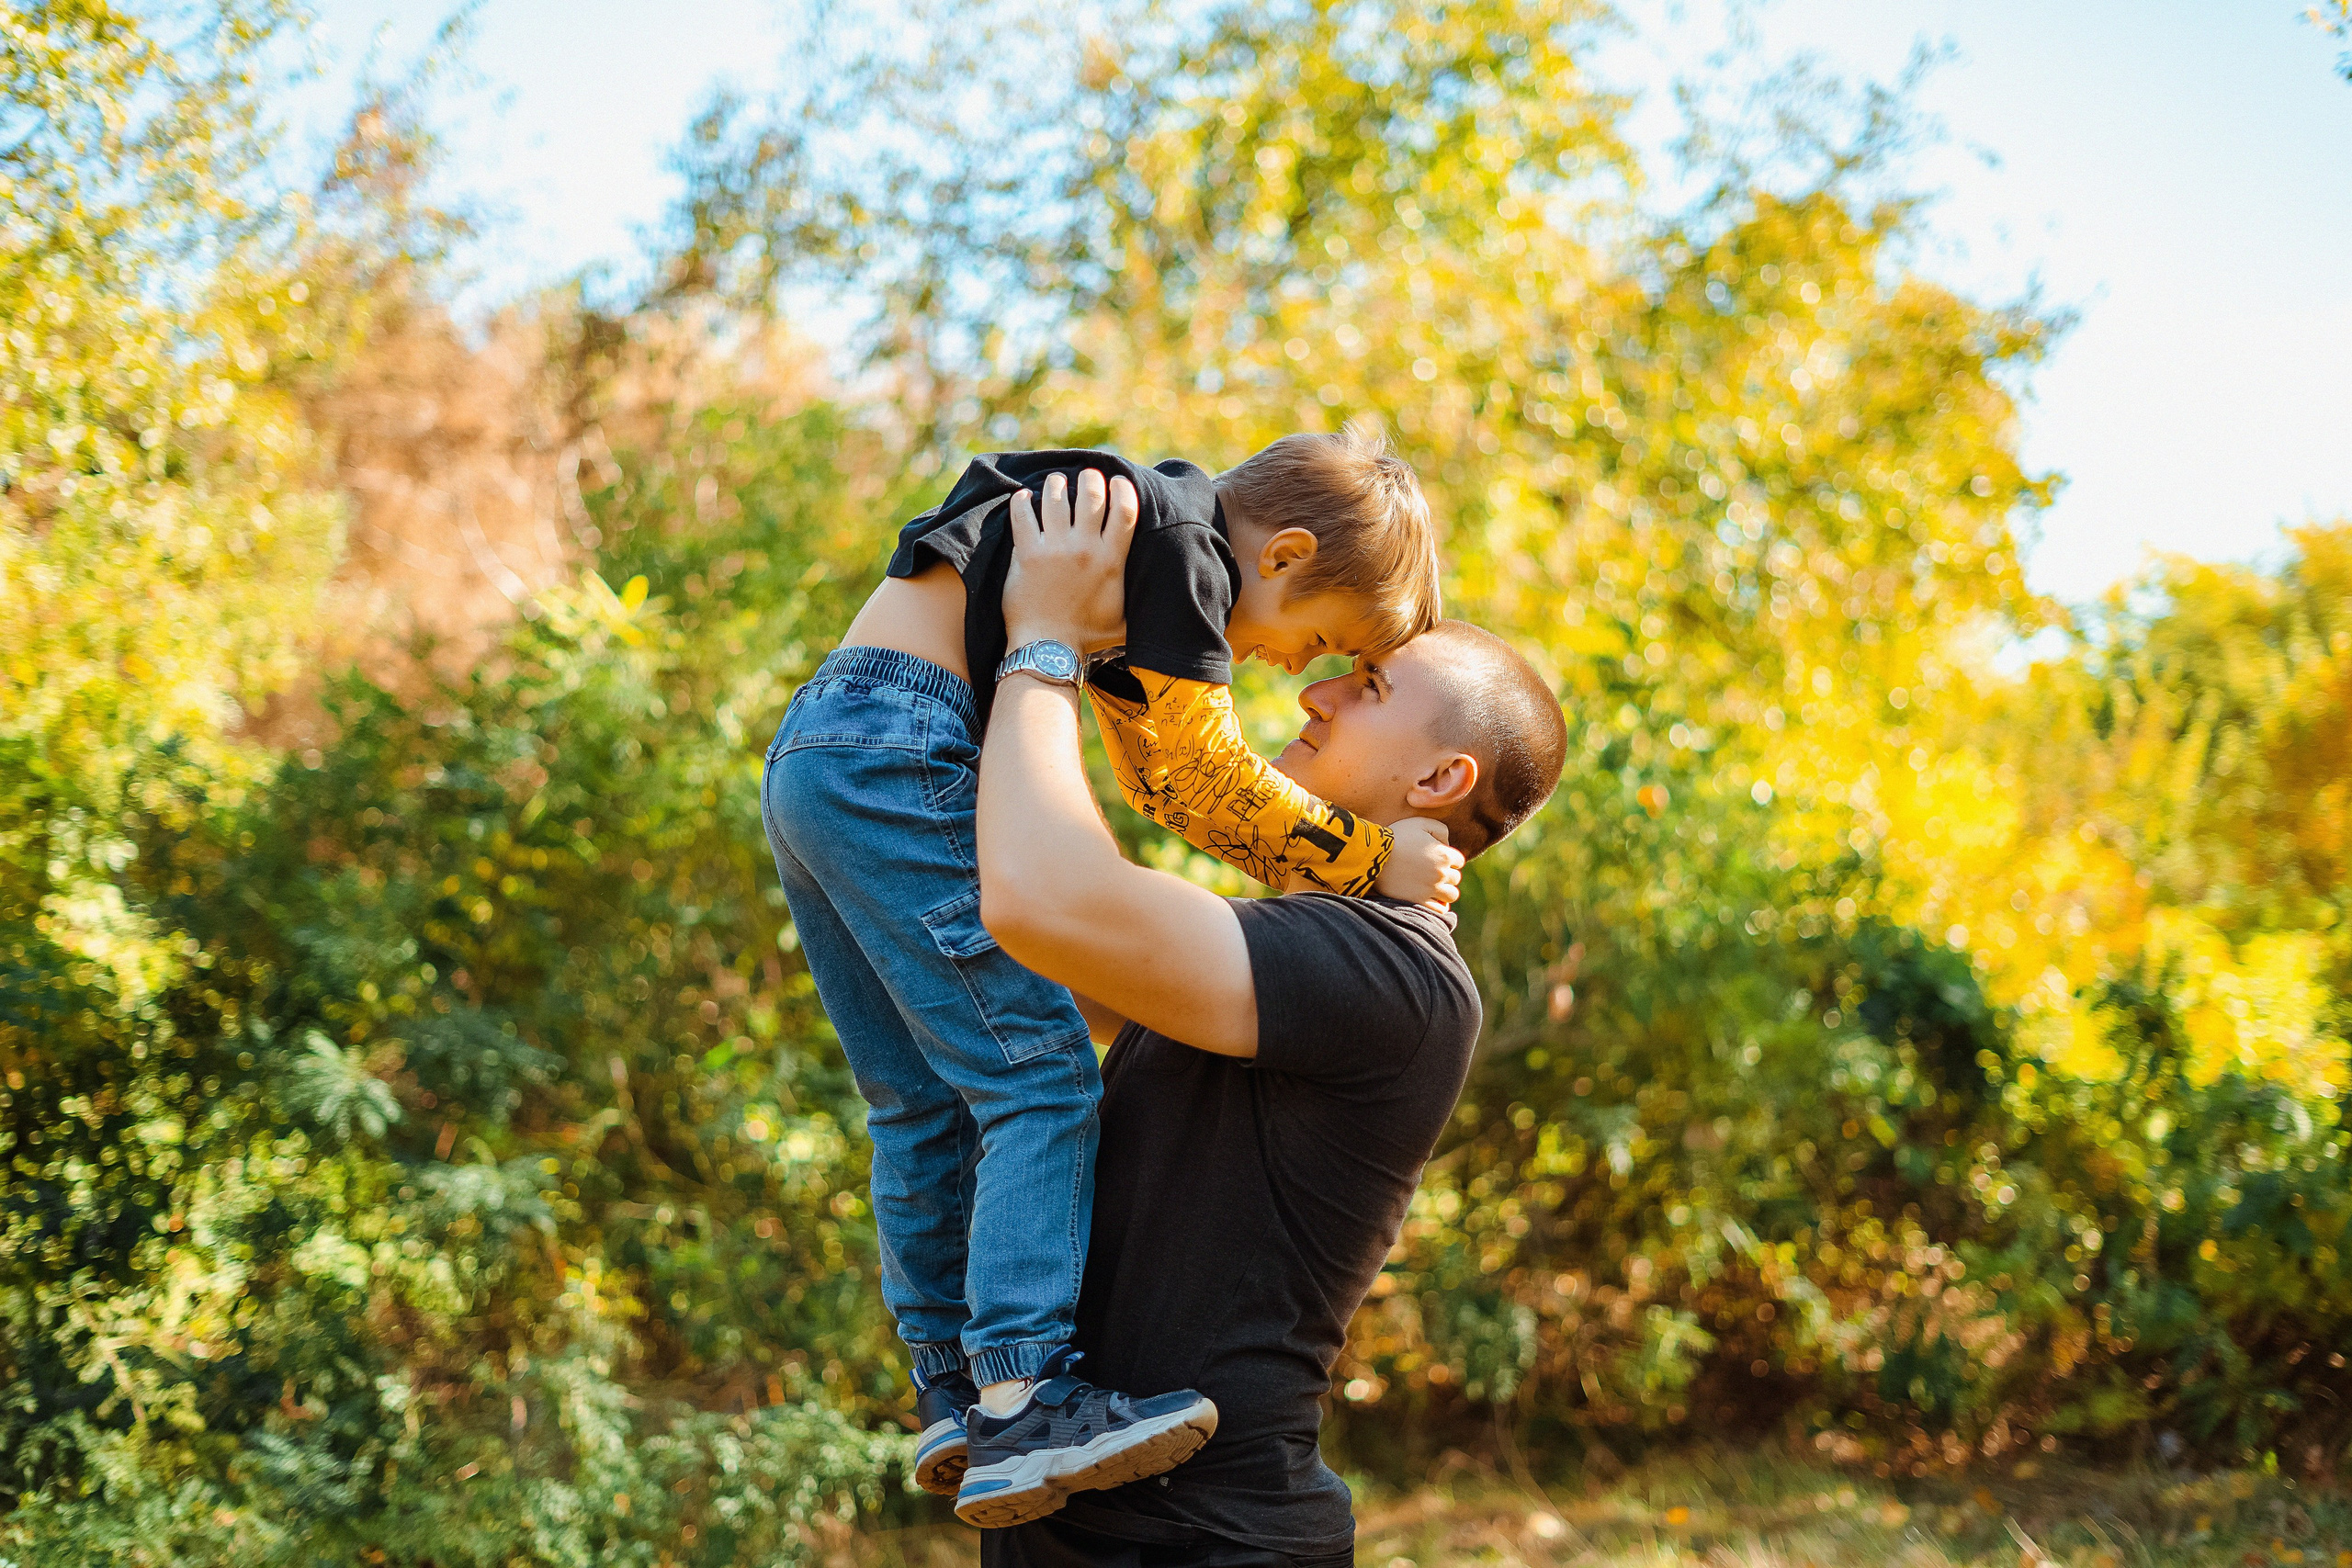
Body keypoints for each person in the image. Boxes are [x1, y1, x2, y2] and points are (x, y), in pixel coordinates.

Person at [758, 431, 1464, 1527]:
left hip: (824, 743)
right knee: (1039, 1076)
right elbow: (1199, 776)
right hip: (906, 747)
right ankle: (1024, 1389)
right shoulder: (1186, 559)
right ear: (1277, 556)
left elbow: (1154, 779)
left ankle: (952, 1387)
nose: (1295, 674)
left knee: (919, 1098)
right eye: (1316, 641)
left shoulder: (1148, 544)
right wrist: (1370, 858)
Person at [967, 476, 1569, 1561]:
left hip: (1213, 1537)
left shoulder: (1395, 979)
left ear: (1440, 777)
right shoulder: (1271, 949)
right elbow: (1021, 942)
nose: (1314, 697)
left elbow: (1035, 894)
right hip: (1070, 1511)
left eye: (1369, 686)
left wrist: (1047, 637)